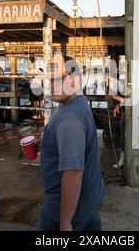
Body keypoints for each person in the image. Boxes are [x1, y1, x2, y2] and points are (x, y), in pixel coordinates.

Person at [37, 54, 106, 231]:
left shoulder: (69, 118)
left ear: (74, 80)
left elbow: (74, 173)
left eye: (58, 79)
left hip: (63, 209)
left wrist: (65, 222)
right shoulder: (78, 103)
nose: (51, 85)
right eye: (49, 80)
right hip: (89, 199)